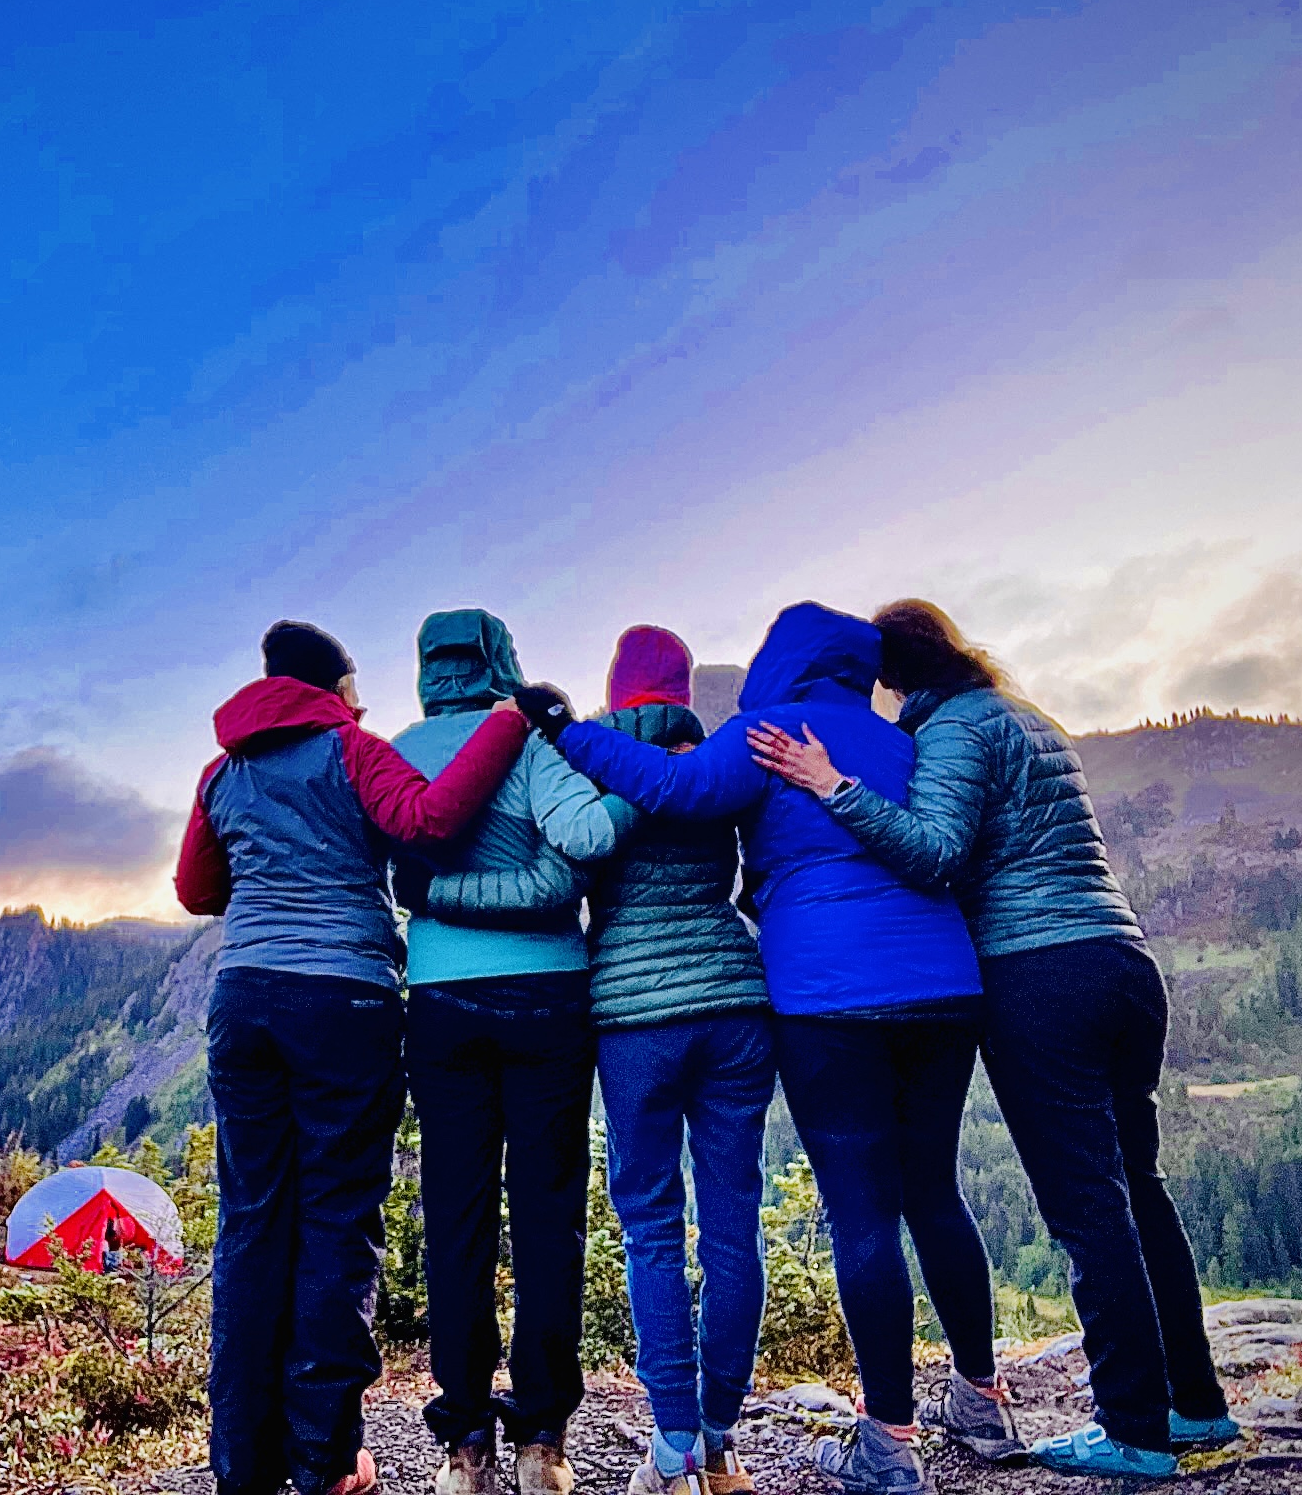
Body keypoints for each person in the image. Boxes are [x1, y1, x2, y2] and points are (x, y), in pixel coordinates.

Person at [517, 602, 1019, 1495]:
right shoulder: (905, 740)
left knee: (851, 1216)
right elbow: (948, 850)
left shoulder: (763, 732)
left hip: (821, 999)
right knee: (922, 1194)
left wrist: (564, 731)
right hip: (940, 988)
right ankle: (967, 1395)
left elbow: (674, 791)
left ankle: (868, 1442)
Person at [746, 600, 1236, 1482]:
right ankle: (1193, 1407)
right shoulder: (1025, 715)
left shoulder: (954, 730)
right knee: (1140, 1191)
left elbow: (933, 852)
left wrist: (832, 786)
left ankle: (1132, 1429)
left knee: (1089, 1208)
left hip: (1038, 974)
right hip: (1120, 959)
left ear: (892, 676)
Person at [174, 619, 531, 1495]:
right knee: (337, 1222)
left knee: (252, 1222)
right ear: (335, 687)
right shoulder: (351, 748)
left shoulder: (223, 771)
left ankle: (242, 1466)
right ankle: (326, 1461)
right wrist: (512, 721)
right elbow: (433, 822)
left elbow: (195, 891)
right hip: (344, 1002)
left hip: (245, 999)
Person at [434, 625, 773, 1495]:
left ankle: (669, 1446)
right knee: (733, 1223)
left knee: (650, 1226)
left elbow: (573, 864)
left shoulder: (583, 755)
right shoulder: (719, 761)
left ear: (618, 691)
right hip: (735, 1006)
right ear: (685, 690)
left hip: (633, 1017)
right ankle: (720, 1444)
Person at [384, 608, 622, 1495]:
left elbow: (383, 867)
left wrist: (439, 895)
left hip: (439, 1001)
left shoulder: (398, 748)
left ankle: (463, 1449)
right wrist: (544, 885)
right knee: (549, 1213)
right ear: (503, 660)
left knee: (455, 1217)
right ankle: (541, 1444)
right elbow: (590, 840)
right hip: (548, 995)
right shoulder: (526, 742)